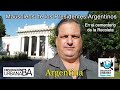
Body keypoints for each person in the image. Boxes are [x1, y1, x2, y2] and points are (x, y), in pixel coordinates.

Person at [34, 18, 100, 79]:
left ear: (81, 40)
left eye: (75, 36)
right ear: (56, 41)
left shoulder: (97, 69)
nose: (70, 42)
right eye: (64, 36)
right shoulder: (39, 70)